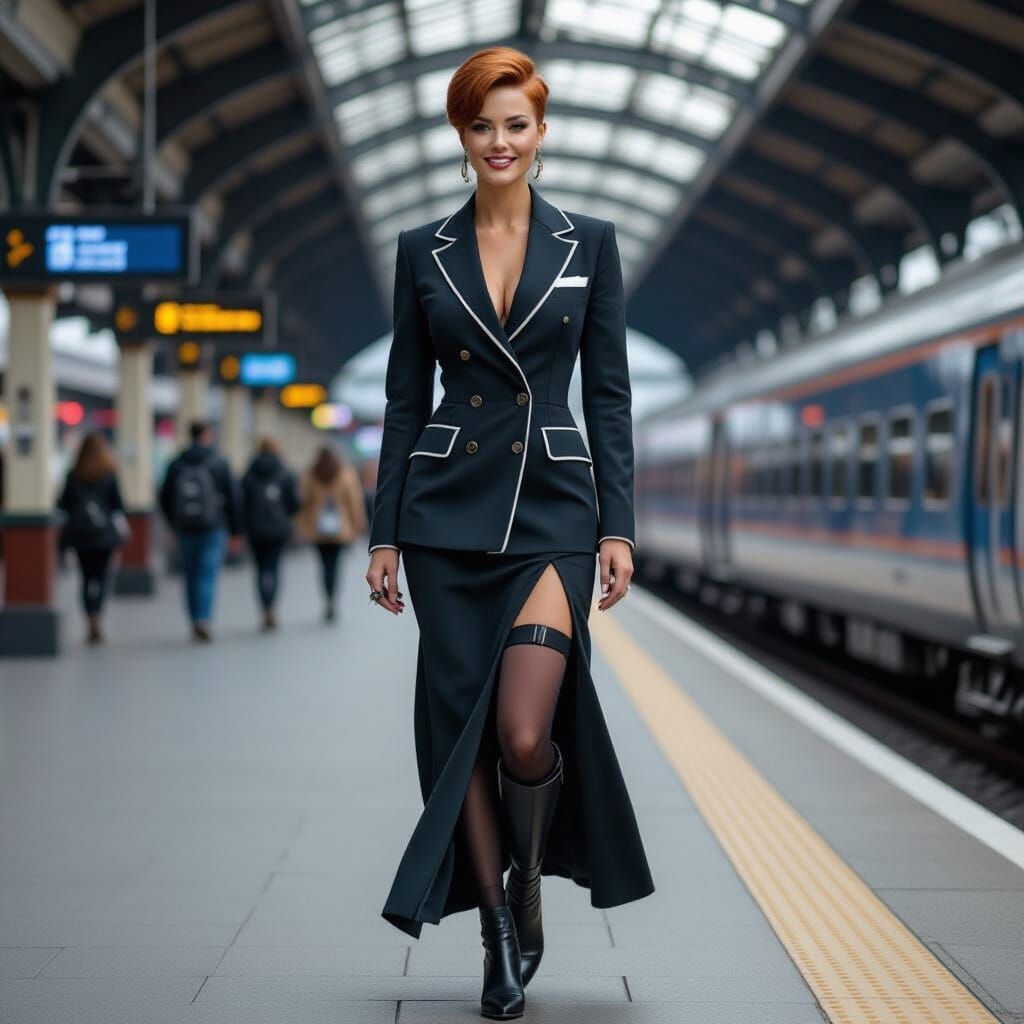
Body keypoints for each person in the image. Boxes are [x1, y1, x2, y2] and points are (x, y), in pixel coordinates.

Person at [365, 46, 654, 1021]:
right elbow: (404, 403)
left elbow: (608, 396)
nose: (500, 141)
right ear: (461, 134)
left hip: (554, 514)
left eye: (515, 124)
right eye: (482, 125)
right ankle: (496, 931)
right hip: (444, 520)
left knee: (525, 732)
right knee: (464, 737)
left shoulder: (590, 244)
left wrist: (617, 526)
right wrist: (384, 534)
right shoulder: (421, 250)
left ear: (541, 132)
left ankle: (528, 874)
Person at [158, 420, 241, 642]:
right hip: (214, 527)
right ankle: (204, 618)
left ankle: (194, 619)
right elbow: (233, 498)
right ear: (206, 435)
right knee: (207, 574)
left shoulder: (176, 464)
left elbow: (164, 497)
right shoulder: (219, 462)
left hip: (185, 528)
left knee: (190, 574)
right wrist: (235, 531)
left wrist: (171, 524)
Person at [57, 432, 127, 644]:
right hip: (104, 535)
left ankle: (90, 618)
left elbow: (63, 504)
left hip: (80, 535)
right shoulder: (109, 473)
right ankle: (98, 615)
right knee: (102, 577)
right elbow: (118, 504)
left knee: (86, 578)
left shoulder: (73, 474)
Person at [297, 445, 367, 622]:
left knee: (324, 566)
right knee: (335, 566)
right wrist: (358, 525)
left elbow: (303, 503)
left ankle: (327, 597)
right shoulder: (346, 475)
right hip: (340, 530)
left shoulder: (311, 475)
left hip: (318, 530)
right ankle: (332, 599)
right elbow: (354, 502)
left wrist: (302, 526)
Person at [240, 437, 299, 632]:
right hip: (277, 530)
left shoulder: (249, 473)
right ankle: (272, 606)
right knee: (273, 568)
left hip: (255, 529)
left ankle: (264, 607)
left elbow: (242, 502)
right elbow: (293, 503)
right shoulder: (284, 472)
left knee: (260, 569)